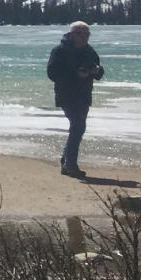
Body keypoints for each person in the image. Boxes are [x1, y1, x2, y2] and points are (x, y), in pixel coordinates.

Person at [47, 20, 104, 178]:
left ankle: (66, 162)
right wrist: (75, 75)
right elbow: (52, 73)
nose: (84, 37)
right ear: (72, 35)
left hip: (84, 94)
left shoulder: (89, 51)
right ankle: (70, 165)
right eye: (80, 34)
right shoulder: (60, 50)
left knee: (78, 127)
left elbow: (99, 71)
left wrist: (96, 71)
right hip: (67, 94)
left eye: (87, 34)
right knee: (78, 126)